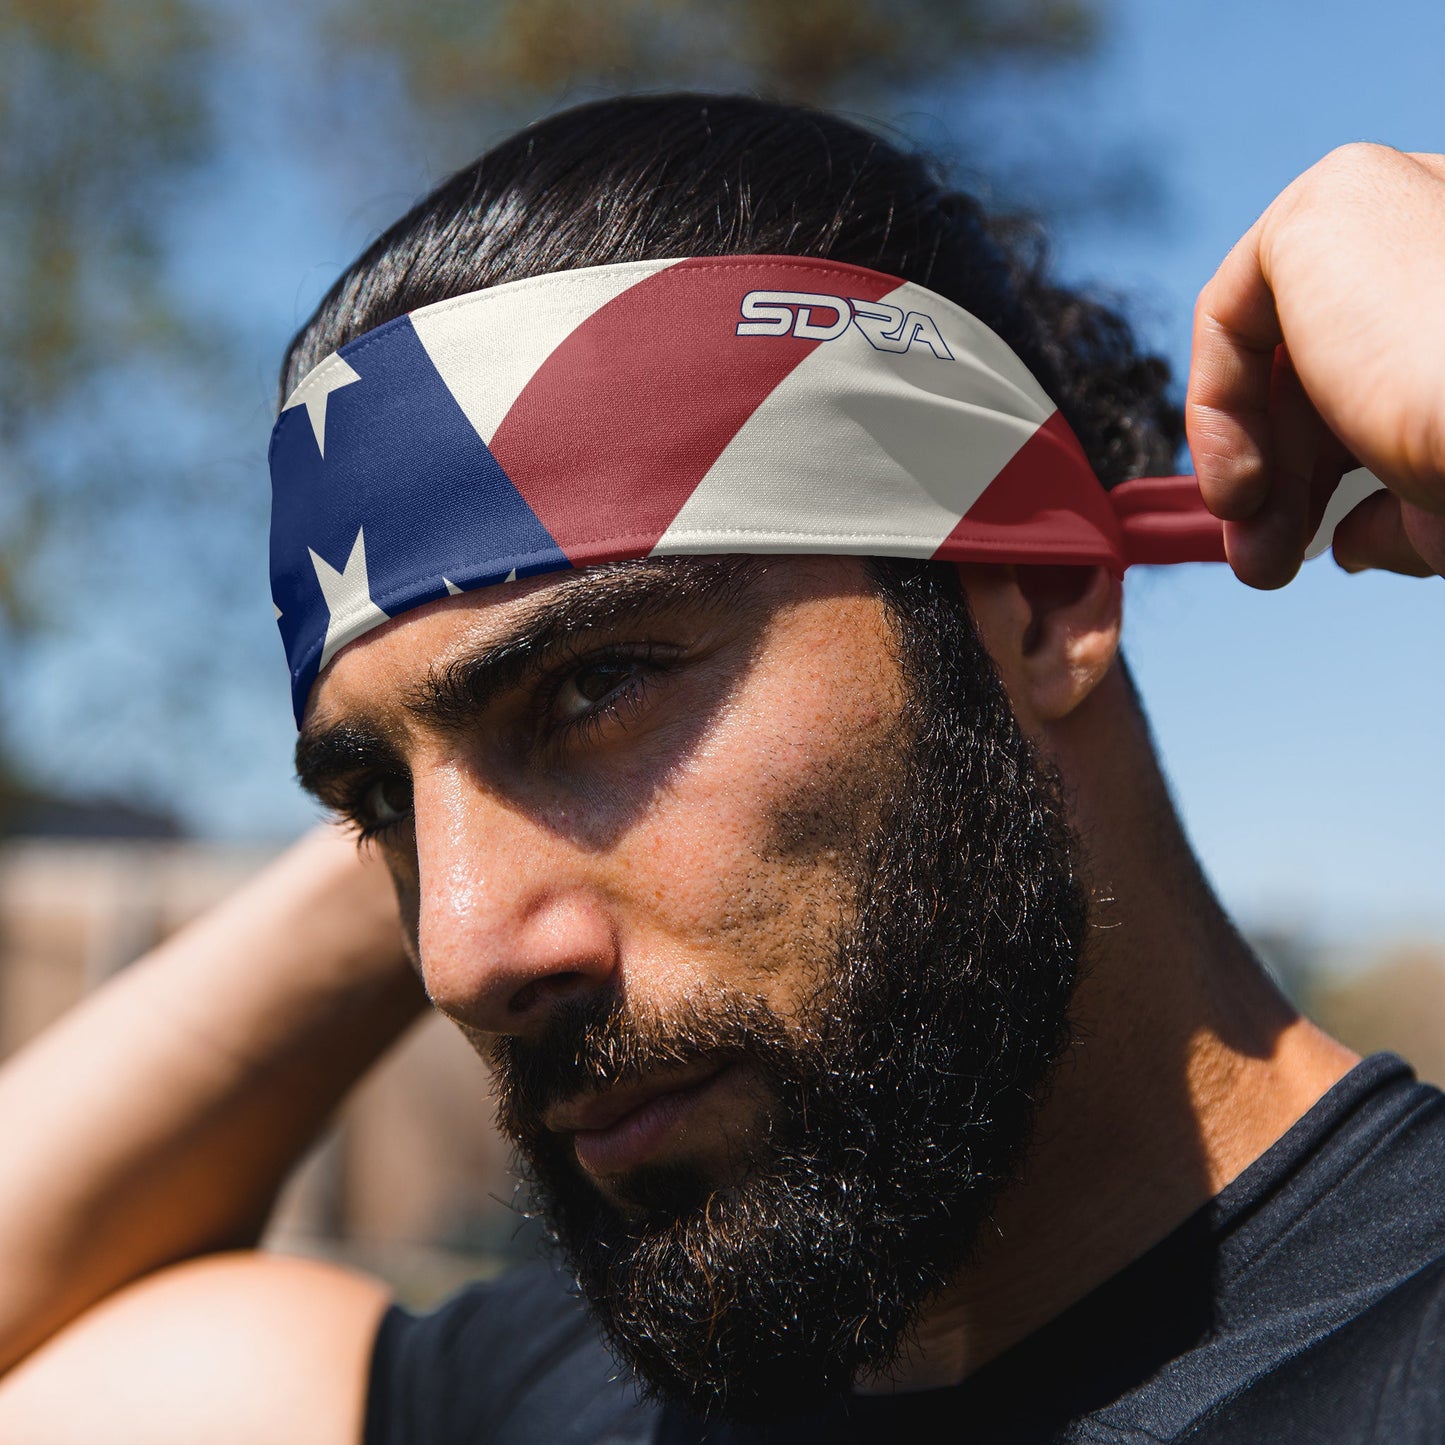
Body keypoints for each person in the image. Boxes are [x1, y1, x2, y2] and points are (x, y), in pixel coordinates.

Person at [0, 94, 1442, 1444]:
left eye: (595, 684)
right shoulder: (539, 1398)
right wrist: (438, 765)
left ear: (1043, 598)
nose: (457, 958)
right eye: (376, 803)